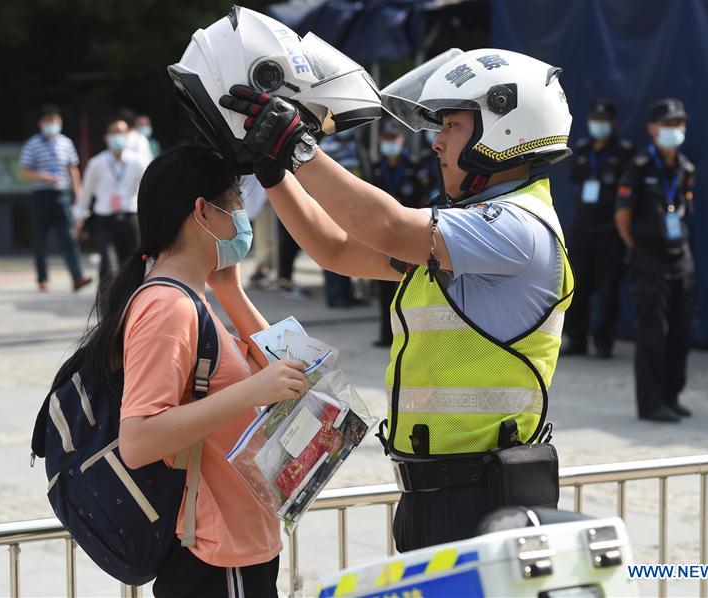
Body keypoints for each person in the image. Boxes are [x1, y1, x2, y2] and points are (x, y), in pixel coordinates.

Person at [218, 48, 574, 552]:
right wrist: (274, 171)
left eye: (451, 125)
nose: (437, 143)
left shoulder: (518, 228)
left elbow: (386, 226)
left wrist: (297, 147)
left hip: (484, 495)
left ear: (506, 128)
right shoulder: (471, 229)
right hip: (439, 494)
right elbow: (336, 248)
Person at [70, 146, 306, 597]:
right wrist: (247, 392)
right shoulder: (167, 308)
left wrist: (231, 293)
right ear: (202, 211)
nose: (243, 217)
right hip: (216, 554)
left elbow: (293, 369)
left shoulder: (190, 299)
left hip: (237, 546)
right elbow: (138, 439)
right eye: (235, 202)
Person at [615, 98, 696, 423]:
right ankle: (650, 404)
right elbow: (622, 216)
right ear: (652, 128)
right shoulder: (638, 168)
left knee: (681, 332)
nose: (674, 131)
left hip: (682, 260)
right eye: (667, 125)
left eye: (678, 124)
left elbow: (686, 207)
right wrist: (639, 248)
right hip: (649, 261)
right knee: (653, 334)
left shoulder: (686, 168)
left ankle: (671, 396)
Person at [563, 100, 635, 358]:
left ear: (614, 123)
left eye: (604, 120)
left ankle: (604, 341)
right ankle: (576, 338)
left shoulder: (625, 152)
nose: (599, 124)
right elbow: (577, 182)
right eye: (595, 118)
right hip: (583, 227)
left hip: (609, 230)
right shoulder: (582, 150)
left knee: (608, 288)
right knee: (578, 284)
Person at [18, 103, 92, 292]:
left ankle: (77, 277)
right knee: (40, 239)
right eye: (48, 121)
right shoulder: (32, 144)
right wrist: (42, 176)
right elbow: (24, 172)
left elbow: (73, 168)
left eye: (55, 121)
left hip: (62, 196)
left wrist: (78, 193)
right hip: (41, 196)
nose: (52, 124)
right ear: (41, 122)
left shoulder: (65, 143)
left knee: (68, 237)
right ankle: (42, 278)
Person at [370, 119, 429, 346]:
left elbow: (424, 199)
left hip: (411, 236)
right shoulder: (376, 168)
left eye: (393, 139)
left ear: (402, 140)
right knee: (384, 287)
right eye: (386, 139)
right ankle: (386, 334)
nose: (390, 143)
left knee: (412, 288)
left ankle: (410, 336)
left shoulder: (414, 167)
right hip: (383, 236)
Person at [74, 118, 150, 282]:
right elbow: (86, 191)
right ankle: (107, 303)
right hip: (105, 219)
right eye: (114, 133)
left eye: (121, 133)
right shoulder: (97, 163)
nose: (118, 137)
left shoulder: (137, 161)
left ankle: (131, 303)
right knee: (108, 264)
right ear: (106, 137)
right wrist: (79, 217)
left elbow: (147, 190)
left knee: (133, 264)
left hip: (130, 216)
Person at [318, 130, 371, 308]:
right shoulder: (327, 145)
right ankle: (335, 295)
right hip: (332, 204)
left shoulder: (352, 142)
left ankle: (347, 294)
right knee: (333, 246)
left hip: (350, 205)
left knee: (347, 248)